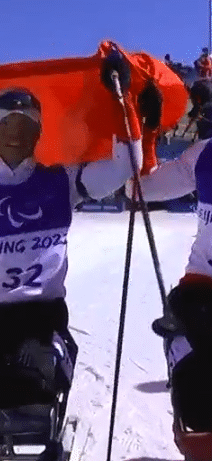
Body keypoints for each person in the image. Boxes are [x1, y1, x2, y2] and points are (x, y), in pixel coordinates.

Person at [0, 55, 160, 446]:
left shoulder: (61, 180)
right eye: (6, 123)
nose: (16, 132)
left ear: (38, 132)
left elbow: (124, 166)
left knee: (31, 386)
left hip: (41, 317)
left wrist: (123, 100)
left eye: (26, 124)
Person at [135, 102, 212, 457]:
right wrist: (148, 130)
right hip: (202, 293)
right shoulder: (205, 154)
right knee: (197, 403)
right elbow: (140, 189)